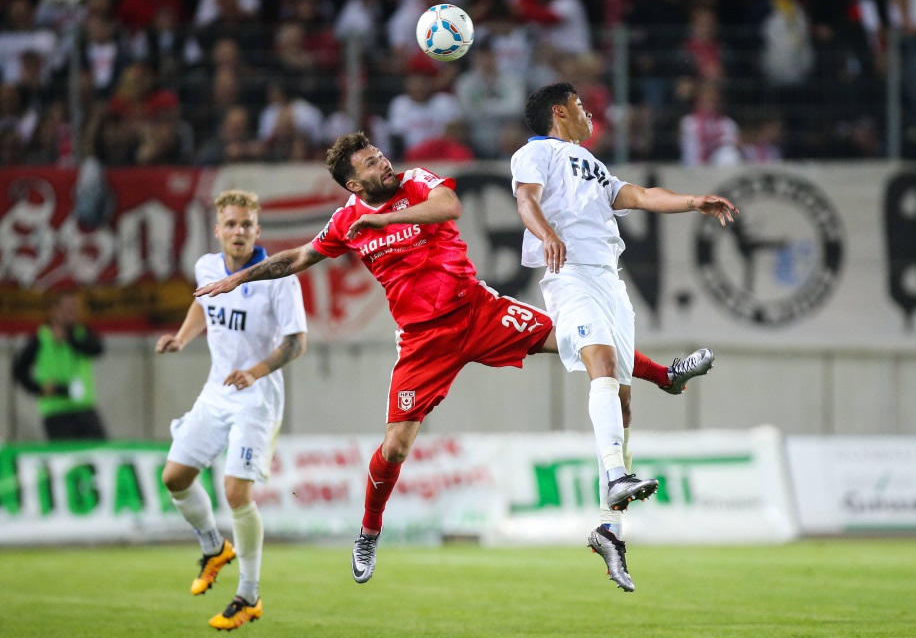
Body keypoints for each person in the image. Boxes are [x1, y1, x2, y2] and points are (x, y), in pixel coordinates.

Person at [193, 132, 714, 591]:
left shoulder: (415, 182)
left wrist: (390, 215)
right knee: (395, 447)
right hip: (423, 342)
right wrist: (239, 278)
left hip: (477, 309)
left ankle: (664, 376)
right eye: (370, 164)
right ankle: (369, 532)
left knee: (584, 337)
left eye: (379, 155)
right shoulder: (347, 221)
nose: (383, 164)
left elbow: (449, 208)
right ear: (353, 185)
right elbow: (299, 258)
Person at [510, 82, 738, 592]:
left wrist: (691, 200)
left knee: (624, 404)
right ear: (559, 111)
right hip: (569, 273)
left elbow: (636, 195)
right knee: (602, 366)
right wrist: (547, 234)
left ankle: (610, 530)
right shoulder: (534, 153)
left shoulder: (590, 164)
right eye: (583, 106)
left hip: (610, 280)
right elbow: (526, 200)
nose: (591, 114)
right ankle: (615, 477)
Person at [156, 189, 307, 631]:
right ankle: (213, 547)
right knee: (175, 478)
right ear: (218, 229)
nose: (239, 231)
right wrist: (183, 338)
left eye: (247, 224)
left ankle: (249, 595)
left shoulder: (278, 277)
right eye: (231, 224)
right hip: (216, 392)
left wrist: (254, 372)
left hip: (257, 398)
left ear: (257, 231)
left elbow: (297, 343)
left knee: (236, 493)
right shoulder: (206, 267)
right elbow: (204, 302)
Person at [12, 291, 108, 440]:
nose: (72, 313)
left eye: (75, 309)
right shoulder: (41, 338)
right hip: (56, 411)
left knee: (100, 453)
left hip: (84, 407)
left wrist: (69, 339)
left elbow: (97, 349)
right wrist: (39, 388)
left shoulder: (81, 333)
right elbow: (19, 370)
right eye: (67, 309)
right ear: (54, 310)